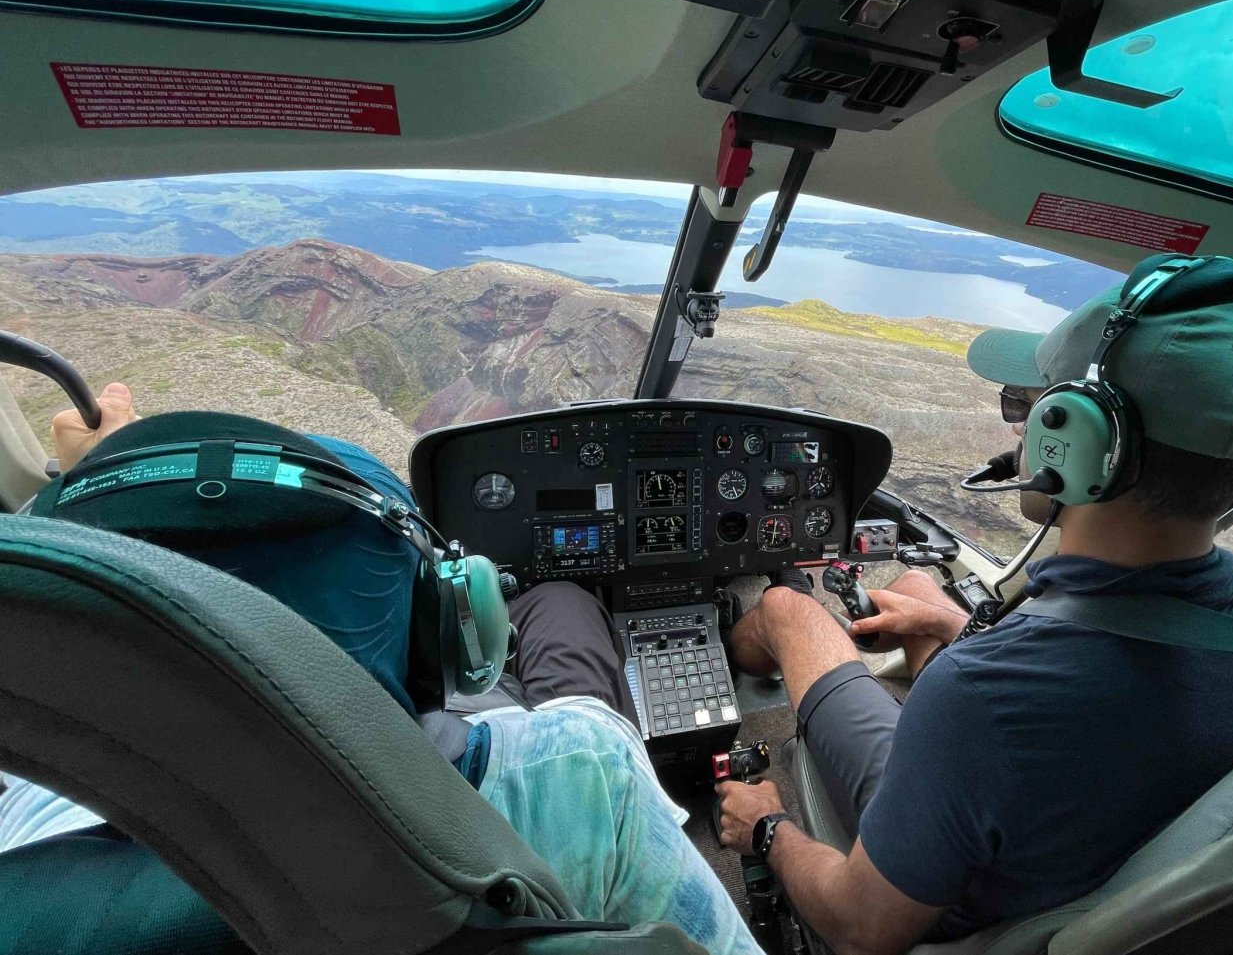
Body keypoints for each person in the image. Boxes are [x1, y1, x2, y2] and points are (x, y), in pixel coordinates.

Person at [715, 254, 1233, 954]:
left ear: (1078, 439)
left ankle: (723, 645)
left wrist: (768, 827)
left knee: (787, 609)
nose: (1018, 431)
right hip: (1063, 857)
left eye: (1031, 406)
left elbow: (864, 930)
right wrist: (955, 628)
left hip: (932, 901)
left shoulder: (980, 699)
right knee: (921, 590)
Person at [1, 383, 762, 955]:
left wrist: (107, 489)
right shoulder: (578, 779)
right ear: (445, 635)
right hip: (492, 771)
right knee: (565, 618)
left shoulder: (29, 821)